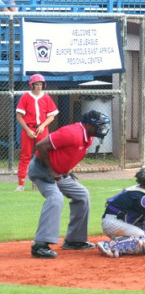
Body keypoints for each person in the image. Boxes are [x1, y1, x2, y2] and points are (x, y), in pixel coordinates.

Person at [29, 110, 110, 259]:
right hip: (42, 170)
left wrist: (66, 170)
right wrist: (52, 171)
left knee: (82, 194)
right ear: (88, 125)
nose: (102, 128)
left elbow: (70, 153)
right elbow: (40, 145)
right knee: (55, 198)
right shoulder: (71, 133)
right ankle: (39, 245)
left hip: (59, 173)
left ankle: (75, 240)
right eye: (98, 125)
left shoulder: (88, 136)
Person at [15, 74, 59, 191]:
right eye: (37, 84)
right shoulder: (25, 97)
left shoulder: (46, 97)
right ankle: (21, 184)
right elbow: (19, 116)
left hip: (42, 129)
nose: (39, 87)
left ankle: (39, 183)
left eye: (41, 84)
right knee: (25, 155)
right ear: (32, 85)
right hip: (28, 129)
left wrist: (43, 126)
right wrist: (28, 130)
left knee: (43, 156)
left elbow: (51, 116)